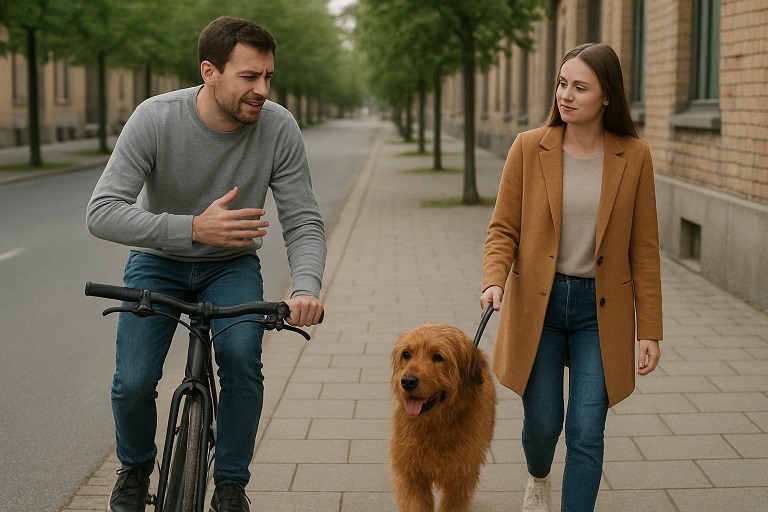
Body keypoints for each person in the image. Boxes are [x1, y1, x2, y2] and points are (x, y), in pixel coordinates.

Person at [86, 16, 326, 512]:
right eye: (249, 77)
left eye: (268, 77)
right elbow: (102, 212)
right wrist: (192, 228)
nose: (262, 90)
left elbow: (302, 220)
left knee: (241, 360)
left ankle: (231, 485)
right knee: (132, 382)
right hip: (158, 262)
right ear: (210, 71)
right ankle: (133, 470)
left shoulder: (279, 128)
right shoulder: (155, 118)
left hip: (230, 267)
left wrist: (305, 287)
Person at [480, 43, 662, 512]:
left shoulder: (635, 156)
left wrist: (651, 331)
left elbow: (644, 249)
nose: (566, 94)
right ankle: (538, 477)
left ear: (607, 97)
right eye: (562, 83)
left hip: (599, 312)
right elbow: (503, 227)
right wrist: (493, 280)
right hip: (536, 305)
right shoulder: (528, 146)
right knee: (542, 423)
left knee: (586, 430)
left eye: (580, 87)